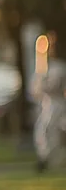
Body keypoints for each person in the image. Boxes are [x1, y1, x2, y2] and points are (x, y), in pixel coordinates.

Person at [33, 30, 66, 173]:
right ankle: (45, 159)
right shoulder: (44, 66)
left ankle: (49, 160)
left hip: (57, 104)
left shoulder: (59, 67)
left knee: (51, 131)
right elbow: (36, 90)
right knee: (42, 132)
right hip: (47, 105)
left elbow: (52, 87)